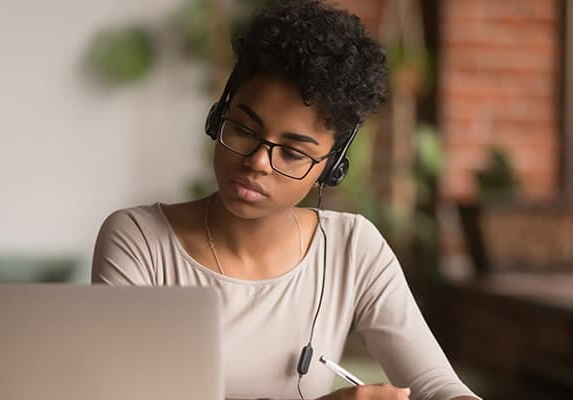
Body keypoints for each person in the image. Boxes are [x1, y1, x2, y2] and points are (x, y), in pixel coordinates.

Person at [91, 1, 481, 399]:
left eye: (293, 153)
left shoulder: (352, 249)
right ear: (217, 116)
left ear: (331, 167)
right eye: (243, 129)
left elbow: (436, 385)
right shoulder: (138, 241)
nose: (258, 162)